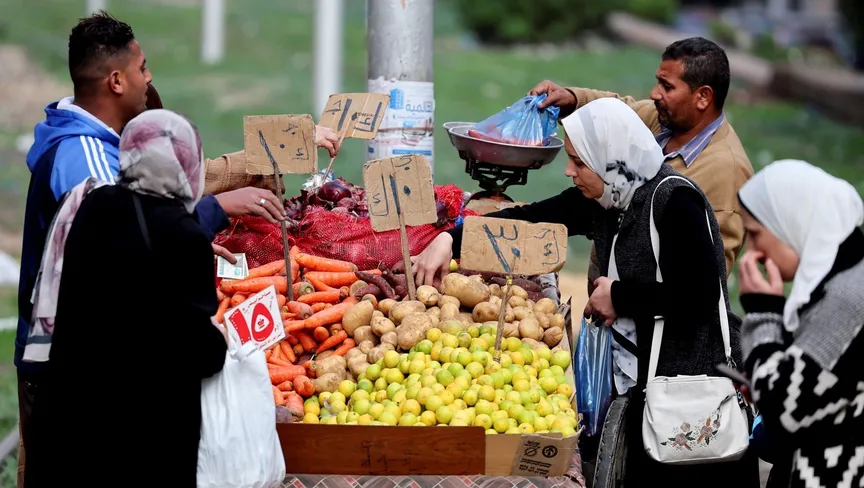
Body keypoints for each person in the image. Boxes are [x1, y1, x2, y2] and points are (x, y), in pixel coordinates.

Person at [15, 11, 339, 485]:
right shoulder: (86, 164)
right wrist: (205, 222)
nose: (150, 78)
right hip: (97, 391)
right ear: (116, 79)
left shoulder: (114, 155)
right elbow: (131, 254)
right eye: (143, 68)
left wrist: (234, 183)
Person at [412, 98, 758, 486]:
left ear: (610, 158)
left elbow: (699, 297)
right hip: (642, 393)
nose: (568, 170)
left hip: (687, 401)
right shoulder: (609, 196)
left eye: (579, 161)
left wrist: (621, 297)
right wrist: (451, 239)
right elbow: (530, 219)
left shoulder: (675, 202)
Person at [24, 109, 230, 487]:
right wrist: (222, 337)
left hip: (67, 428)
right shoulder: (183, 235)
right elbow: (200, 352)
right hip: (140, 443)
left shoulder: (87, 206)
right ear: (187, 163)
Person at [529, 36, 754, 292]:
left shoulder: (727, 172)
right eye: (658, 81)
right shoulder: (662, 121)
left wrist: (621, 298)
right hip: (607, 300)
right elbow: (617, 112)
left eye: (667, 87)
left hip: (653, 323)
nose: (654, 93)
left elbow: (702, 285)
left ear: (703, 97)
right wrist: (572, 99)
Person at [737, 159, 864, 488]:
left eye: (755, 234)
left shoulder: (847, 298)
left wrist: (763, 312)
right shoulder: (843, 279)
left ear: (789, 224)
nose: (751, 250)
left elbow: (784, 412)